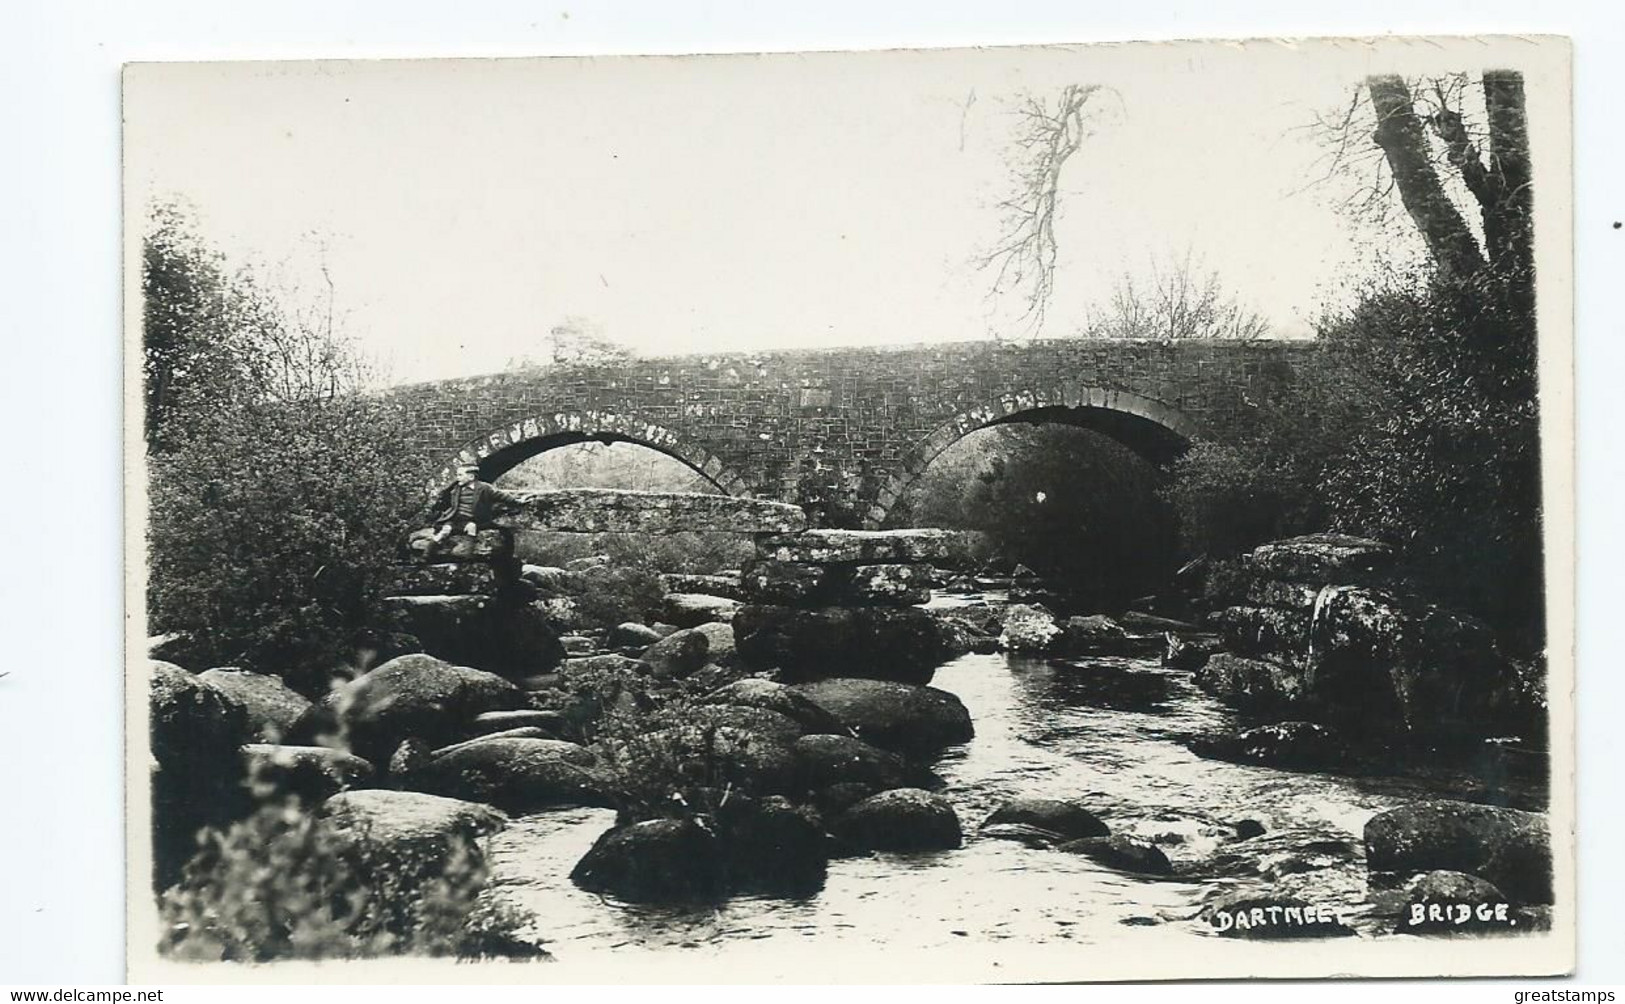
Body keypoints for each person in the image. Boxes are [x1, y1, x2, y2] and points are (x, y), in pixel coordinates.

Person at [431, 464, 523, 541]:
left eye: (460, 475)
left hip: (472, 519)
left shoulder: (484, 488)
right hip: (455, 519)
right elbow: (449, 505)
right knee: (445, 531)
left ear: (471, 477)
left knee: (471, 528)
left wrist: (517, 502)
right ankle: (426, 556)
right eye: (457, 475)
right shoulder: (456, 489)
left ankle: (466, 556)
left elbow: (502, 496)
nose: (457, 478)